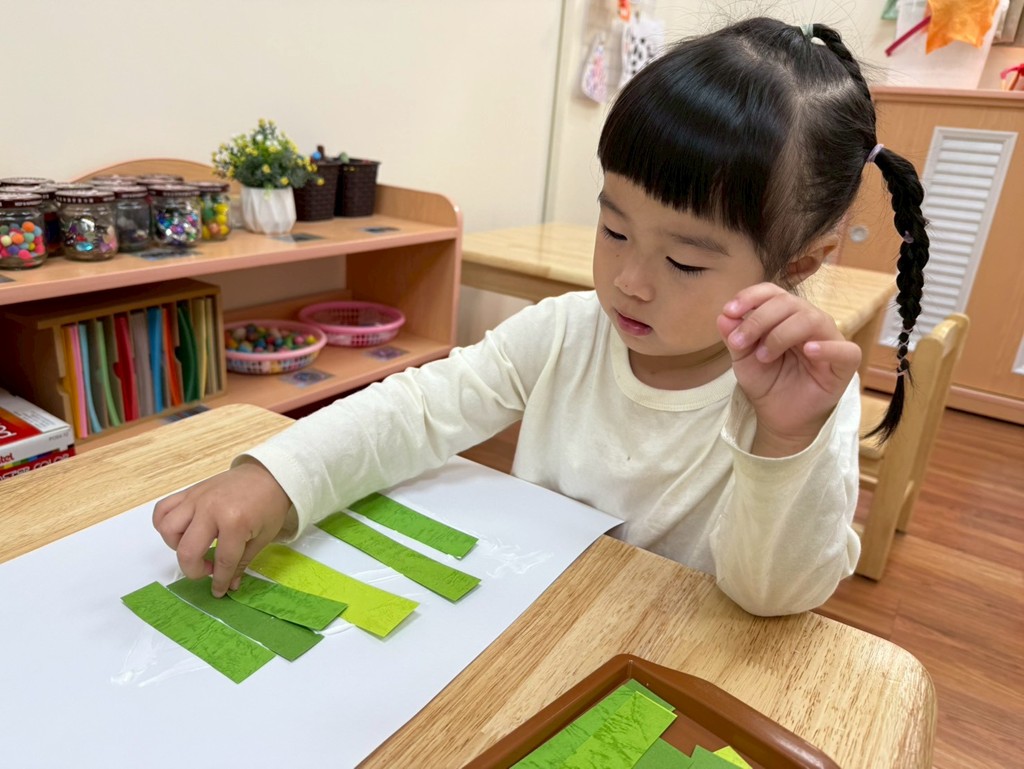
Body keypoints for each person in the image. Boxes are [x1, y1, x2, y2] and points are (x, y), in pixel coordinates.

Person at [154, 17, 929, 616]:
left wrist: (783, 446)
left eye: (685, 262)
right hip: (531, 619)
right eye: (613, 228)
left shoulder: (798, 404)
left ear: (799, 264)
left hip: (663, 658)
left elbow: (774, 598)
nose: (628, 281)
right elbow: (417, 410)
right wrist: (277, 477)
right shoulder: (565, 330)